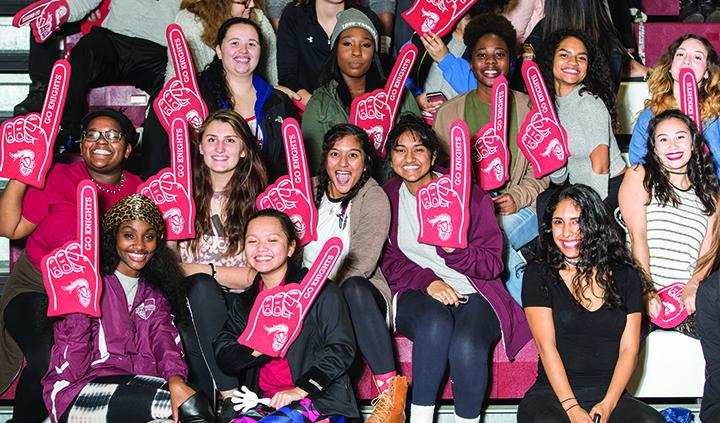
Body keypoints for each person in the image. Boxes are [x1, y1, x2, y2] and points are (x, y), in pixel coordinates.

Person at [381, 114, 531, 423]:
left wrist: (453, 250)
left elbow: (492, 264)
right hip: (416, 291)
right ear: (391, 156)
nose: (409, 158)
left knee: (467, 344)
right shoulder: (386, 198)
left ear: (434, 155)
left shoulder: (469, 196)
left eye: (419, 149)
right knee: (435, 323)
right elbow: (387, 260)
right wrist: (428, 282)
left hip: (474, 291)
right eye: (400, 149)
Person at [0, 109, 142, 423]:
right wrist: (20, 172)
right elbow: (10, 229)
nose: (100, 141)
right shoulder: (59, 177)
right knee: (48, 356)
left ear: (129, 149)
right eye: (91, 134)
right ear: (81, 143)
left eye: (112, 135)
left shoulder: (138, 192)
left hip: (99, 298)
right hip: (37, 287)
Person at [41, 194, 214, 423]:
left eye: (149, 237)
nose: (140, 246)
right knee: (190, 409)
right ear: (113, 238)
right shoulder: (90, 283)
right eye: (129, 235)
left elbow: (163, 340)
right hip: (77, 391)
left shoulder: (154, 292)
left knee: (183, 404)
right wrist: (79, 312)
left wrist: (175, 379)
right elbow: (72, 370)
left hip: (135, 384)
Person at [518, 184, 664, 423]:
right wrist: (572, 408)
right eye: (558, 222)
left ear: (595, 224)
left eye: (577, 221)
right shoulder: (539, 273)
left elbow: (629, 350)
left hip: (610, 397)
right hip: (553, 396)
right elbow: (547, 348)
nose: (567, 232)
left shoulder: (626, 275)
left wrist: (608, 404)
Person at [433, 13, 549, 305]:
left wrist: (518, 196)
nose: (491, 63)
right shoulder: (449, 113)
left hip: (519, 209)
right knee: (482, 237)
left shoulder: (529, 109)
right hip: (472, 212)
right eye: (482, 55)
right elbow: (439, 174)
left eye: (499, 55)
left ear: (511, 61)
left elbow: (544, 171)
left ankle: (526, 319)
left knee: (497, 239)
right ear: (470, 61)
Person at [213, 209, 359, 422]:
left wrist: (300, 390)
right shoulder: (245, 302)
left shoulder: (319, 291)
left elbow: (341, 348)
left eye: (272, 240)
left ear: (291, 247)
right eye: (252, 241)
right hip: (264, 402)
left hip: (319, 399)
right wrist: (260, 345)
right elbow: (224, 352)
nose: (261, 248)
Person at [307, 123, 406, 423]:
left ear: (365, 162)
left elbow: (361, 261)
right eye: (335, 154)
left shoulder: (373, 198)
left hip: (359, 295)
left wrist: (317, 292)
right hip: (305, 293)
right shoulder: (306, 190)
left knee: (353, 287)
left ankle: (392, 399)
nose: (343, 163)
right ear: (325, 159)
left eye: (353, 155)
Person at [174, 110, 267, 419]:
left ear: (244, 149)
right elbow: (166, 264)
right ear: (199, 147)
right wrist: (206, 277)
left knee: (202, 288)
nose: (219, 148)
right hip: (188, 303)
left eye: (230, 140)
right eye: (211, 139)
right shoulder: (179, 194)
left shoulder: (262, 200)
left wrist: (204, 271)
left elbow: (257, 275)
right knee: (198, 296)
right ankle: (231, 396)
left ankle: (210, 406)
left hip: (241, 306)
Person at [619, 110, 718, 333]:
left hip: (687, 296)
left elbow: (707, 254)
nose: (672, 146)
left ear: (693, 143)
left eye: (680, 137)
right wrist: (646, 290)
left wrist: (694, 285)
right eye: (663, 139)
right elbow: (637, 237)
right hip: (644, 289)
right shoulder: (640, 176)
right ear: (654, 148)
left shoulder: (711, 196)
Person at [301, 9, 420, 173]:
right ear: (336, 49)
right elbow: (315, 168)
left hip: (395, 191)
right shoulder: (320, 102)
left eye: (365, 45)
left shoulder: (401, 94)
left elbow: (420, 149)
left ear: (374, 52)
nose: (356, 52)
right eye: (347, 43)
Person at [55, 0, 180, 150]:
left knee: (171, 78)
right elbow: (84, 2)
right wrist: (57, 13)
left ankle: (153, 148)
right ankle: (69, 131)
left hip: (156, 48)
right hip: (113, 39)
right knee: (85, 51)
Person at [197, 17, 299, 182]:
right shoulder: (199, 99)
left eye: (251, 44)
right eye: (234, 43)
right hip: (212, 196)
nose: (243, 50)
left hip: (268, 199)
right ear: (219, 50)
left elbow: (292, 163)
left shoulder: (279, 101)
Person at [538, 29, 626, 211]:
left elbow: (601, 166)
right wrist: (551, 157)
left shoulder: (588, 103)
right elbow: (559, 178)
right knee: (544, 202)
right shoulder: (550, 106)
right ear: (550, 59)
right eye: (564, 55)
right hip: (579, 189)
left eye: (581, 58)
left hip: (609, 188)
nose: (573, 62)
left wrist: (591, 210)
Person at [628, 34, 720, 180]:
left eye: (697, 57)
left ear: (707, 72)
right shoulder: (652, 114)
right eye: (680, 54)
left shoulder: (715, 115)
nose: (686, 60)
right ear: (670, 67)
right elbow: (638, 162)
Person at [275, 0, 383, 105]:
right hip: (307, 108)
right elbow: (287, 77)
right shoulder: (293, 15)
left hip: (356, 111)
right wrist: (318, 108)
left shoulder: (367, 18)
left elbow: (377, 75)